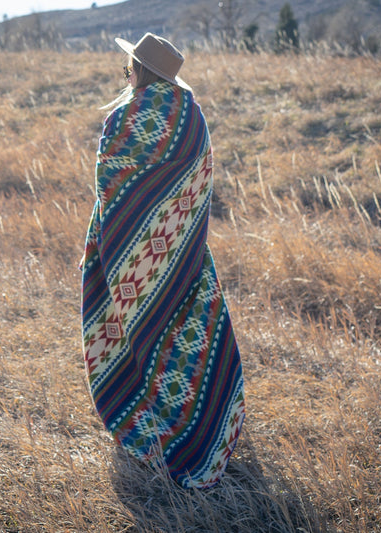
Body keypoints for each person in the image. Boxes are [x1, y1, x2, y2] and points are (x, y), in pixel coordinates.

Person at [80, 33, 245, 489]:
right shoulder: (194, 116)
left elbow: (108, 188)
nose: (125, 74)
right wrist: (179, 236)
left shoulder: (124, 117)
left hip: (129, 260)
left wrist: (110, 246)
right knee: (186, 338)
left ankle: (153, 430)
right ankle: (204, 428)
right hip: (184, 253)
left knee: (140, 337)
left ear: (140, 70)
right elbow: (200, 181)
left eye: (128, 67)